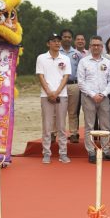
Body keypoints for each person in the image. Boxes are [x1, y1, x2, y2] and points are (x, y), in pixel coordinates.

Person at [77, 36, 110, 164]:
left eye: (98, 45)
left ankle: (106, 151)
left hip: (104, 97)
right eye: (93, 45)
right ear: (90, 46)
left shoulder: (107, 62)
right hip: (89, 97)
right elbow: (81, 82)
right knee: (89, 125)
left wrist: (103, 94)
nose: (96, 47)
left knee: (105, 125)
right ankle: (91, 152)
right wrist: (93, 95)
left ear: (102, 47)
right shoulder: (84, 62)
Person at [35, 33, 71, 164]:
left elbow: (66, 77)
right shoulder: (41, 58)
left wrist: (57, 92)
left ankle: (63, 153)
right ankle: (46, 153)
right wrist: (50, 92)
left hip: (61, 95)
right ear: (48, 43)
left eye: (58, 41)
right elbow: (41, 76)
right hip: (46, 95)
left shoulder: (65, 58)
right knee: (47, 126)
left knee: (61, 126)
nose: (57, 43)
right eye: (54, 41)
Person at [66, 33, 87, 143]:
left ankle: (77, 133)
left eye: (82, 39)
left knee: (77, 111)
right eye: (78, 39)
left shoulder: (87, 53)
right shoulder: (70, 53)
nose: (80, 41)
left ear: (85, 41)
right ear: (75, 42)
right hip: (66, 85)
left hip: (81, 85)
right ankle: (72, 132)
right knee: (70, 110)